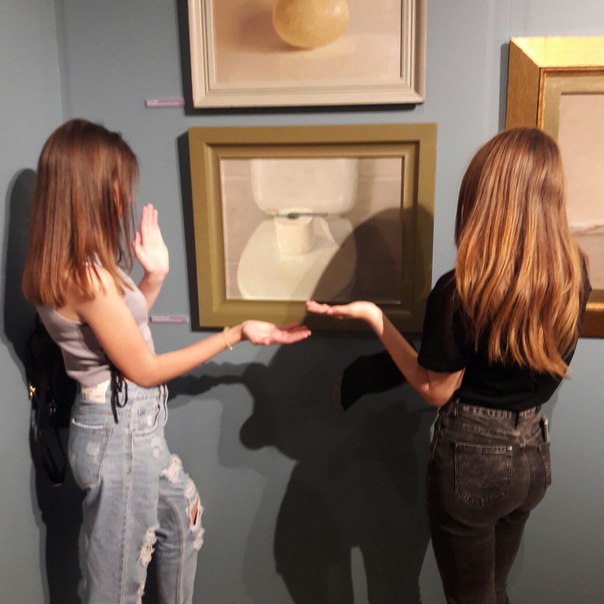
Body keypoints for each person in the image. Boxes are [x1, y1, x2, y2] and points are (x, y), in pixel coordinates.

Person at [22, 118, 311, 604]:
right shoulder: (85, 277)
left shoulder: (82, 264)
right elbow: (143, 368)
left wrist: (153, 278)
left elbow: (120, 339)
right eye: (117, 183)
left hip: (133, 426)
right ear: (88, 187)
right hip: (119, 433)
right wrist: (235, 334)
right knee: (117, 588)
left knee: (183, 521)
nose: (124, 195)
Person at [307, 127, 591, 604]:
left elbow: (435, 389)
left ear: (484, 199)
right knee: (493, 590)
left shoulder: (461, 290)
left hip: (474, 460)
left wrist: (376, 319)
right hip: (533, 455)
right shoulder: (573, 276)